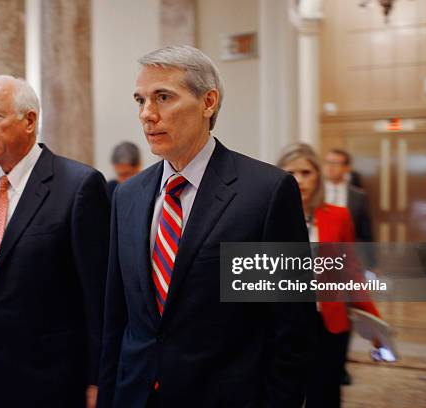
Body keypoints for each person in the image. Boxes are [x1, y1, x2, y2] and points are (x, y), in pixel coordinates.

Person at [98, 45, 315, 408]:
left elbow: (290, 327)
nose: (147, 115)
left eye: (163, 97)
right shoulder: (128, 195)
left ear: (208, 102)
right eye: (140, 100)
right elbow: (116, 316)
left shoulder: (264, 193)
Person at [0, 75, 110, 408]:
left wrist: (96, 381)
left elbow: (98, 296)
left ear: (29, 120)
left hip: (47, 382)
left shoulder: (79, 186)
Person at [277, 143, 380, 408]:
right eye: (290, 173)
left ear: (318, 176)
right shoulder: (267, 216)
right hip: (283, 325)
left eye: (306, 172)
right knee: (283, 393)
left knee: (325, 395)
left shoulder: (338, 216)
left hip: (329, 322)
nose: (299, 180)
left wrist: (374, 323)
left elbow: (352, 272)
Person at [323, 148, 374, 245]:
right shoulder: (315, 193)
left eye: (335, 163)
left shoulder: (358, 196)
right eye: (327, 162)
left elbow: (365, 233)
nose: (330, 167)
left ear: (347, 168)